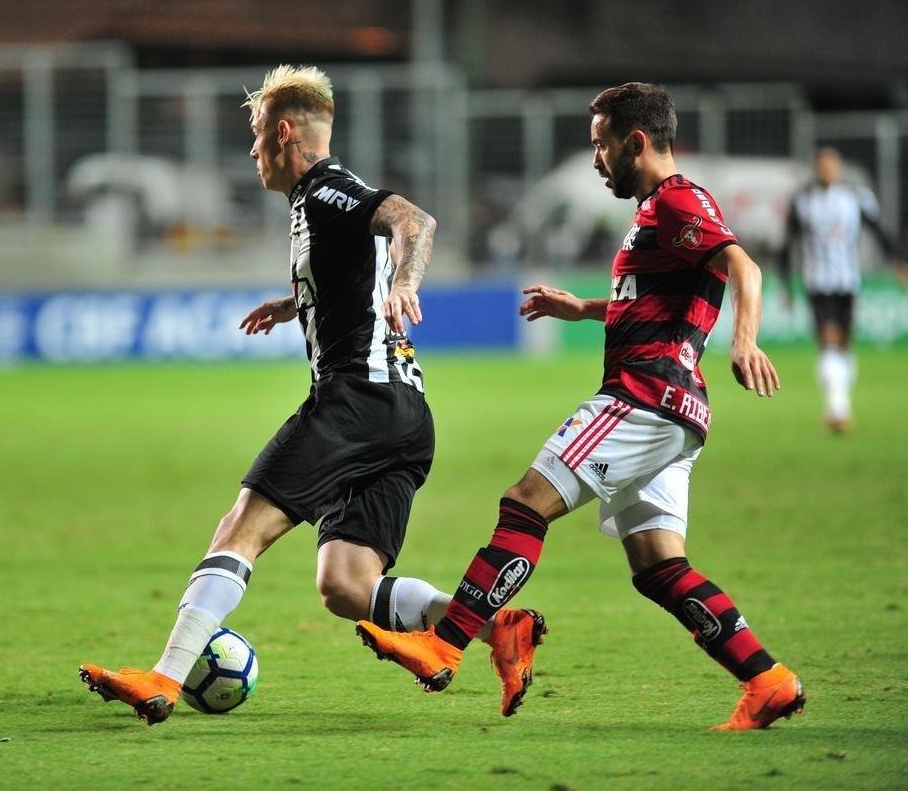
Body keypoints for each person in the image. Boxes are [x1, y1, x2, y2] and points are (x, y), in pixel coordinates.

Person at [79, 64, 542, 725]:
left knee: (239, 530)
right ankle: (499, 629)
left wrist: (408, 281)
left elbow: (415, 220)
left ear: (286, 132)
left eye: (258, 135)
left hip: (357, 400)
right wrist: (296, 304)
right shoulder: (317, 207)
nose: (252, 151)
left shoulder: (325, 189)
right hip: (405, 416)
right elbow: (354, 267)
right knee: (345, 585)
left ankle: (164, 678)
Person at [356, 83, 807, 731]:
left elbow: (744, 267)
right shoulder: (660, 208)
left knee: (525, 502)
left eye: (601, 145)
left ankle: (443, 642)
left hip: (642, 397)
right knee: (659, 568)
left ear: (637, 141)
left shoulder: (679, 198)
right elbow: (665, 298)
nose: (596, 160)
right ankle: (767, 679)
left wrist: (745, 340)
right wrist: (586, 308)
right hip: (677, 412)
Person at [778, 146, 905, 434]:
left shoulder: (856, 198)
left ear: (838, 168)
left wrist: (898, 259)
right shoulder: (802, 201)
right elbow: (788, 244)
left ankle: (840, 400)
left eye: (831, 165)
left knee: (844, 345)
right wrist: (786, 284)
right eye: (821, 165)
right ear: (816, 168)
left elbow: (878, 230)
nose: (826, 170)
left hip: (848, 280)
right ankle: (837, 408)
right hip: (817, 282)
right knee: (829, 340)